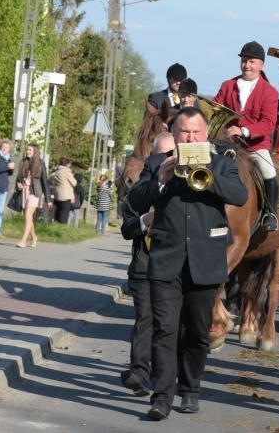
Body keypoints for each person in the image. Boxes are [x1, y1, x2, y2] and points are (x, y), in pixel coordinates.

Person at [129, 107, 247, 420]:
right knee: (164, 331)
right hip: (166, 262)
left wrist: (209, 178)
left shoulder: (222, 163)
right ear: (175, 134)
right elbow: (135, 200)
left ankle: (191, 388)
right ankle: (162, 398)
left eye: (196, 132)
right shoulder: (157, 163)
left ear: (206, 134)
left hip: (206, 262)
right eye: (185, 132)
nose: (190, 137)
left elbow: (240, 195)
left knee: (196, 332)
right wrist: (163, 180)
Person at [119, 131, 175, 397]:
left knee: (167, 326)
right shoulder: (140, 190)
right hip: (144, 265)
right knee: (145, 320)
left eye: (171, 154)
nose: (166, 159)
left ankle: (162, 377)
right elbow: (127, 228)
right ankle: (139, 374)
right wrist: (145, 221)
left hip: (175, 269)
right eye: (160, 154)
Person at [213, 40, 279, 231]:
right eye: (244, 60)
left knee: (269, 171)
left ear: (261, 65)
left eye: (252, 61)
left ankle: (270, 213)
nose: (247, 65)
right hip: (225, 143)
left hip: (254, 146)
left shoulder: (270, 92)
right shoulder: (227, 85)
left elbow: (268, 123)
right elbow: (216, 110)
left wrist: (243, 131)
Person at [15, 143, 51, 248]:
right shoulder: (23, 162)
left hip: (35, 192)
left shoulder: (40, 164)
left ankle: (23, 241)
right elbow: (19, 178)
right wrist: (19, 183)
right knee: (27, 218)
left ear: (35, 152)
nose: (28, 152)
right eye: (27, 150)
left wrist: (48, 199)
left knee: (28, 216)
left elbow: (45, 181)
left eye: (30, 150)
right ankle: (34, 237)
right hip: (25, 191)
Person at [49, 157, 77, 224]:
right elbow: (74, 183)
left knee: (58, 212)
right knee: (64, 213)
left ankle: (56, 225)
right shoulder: (66, 172)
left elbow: (50, 180)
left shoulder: (56, 171)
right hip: (65, 195)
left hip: (57, 194)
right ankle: (62, 228)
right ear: (67, 164)